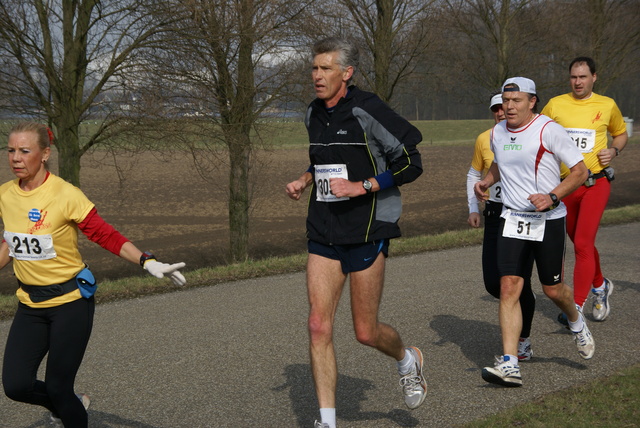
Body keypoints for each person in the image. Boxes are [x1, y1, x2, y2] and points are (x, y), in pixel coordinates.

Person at [0, 122, 186, 428]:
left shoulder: (65, 194)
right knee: (16, 386)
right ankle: (72, 405)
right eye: (10, 150)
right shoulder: (6, 195)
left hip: (69, 303)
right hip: (30, 305)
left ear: (44, 154)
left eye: (24, 151)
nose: (16, 158)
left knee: (59, 388)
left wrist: (147, 261)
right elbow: (11, 240)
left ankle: (68, 406)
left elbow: (105, 235)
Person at [285, 37, 426, 428]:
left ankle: (406, 359)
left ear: (346, 73)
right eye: (314, 68)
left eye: (326, 68)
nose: (317, 76)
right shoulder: (313, 112)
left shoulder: (367, 109)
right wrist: (304, 179)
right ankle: (327, 421)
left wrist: (363, 187)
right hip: (324, 229)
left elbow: (411, 163)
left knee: (365, 332)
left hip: (367, 227)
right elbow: (323, 161)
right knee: (318, 324)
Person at [474, 77, 594, 388]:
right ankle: (511, 363)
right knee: (509, 286)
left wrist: (553, 196)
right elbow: (500, 163)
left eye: (516, 101)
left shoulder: (548, 129)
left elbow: (581, 171)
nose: (509, 107)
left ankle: (576, 321)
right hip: (513, 217)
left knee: (553, 291)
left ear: (532, 102)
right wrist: (486, 181)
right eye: (505, 101)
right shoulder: (498, 132)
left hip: (549, 218)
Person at [541, 56, 628, 323]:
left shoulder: (607, 104)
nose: (578, 82)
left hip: (595, 183)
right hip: (566, 188)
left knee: (582, 243)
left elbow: (621, 134)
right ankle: (600, 285)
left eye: (583, 77)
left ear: (594, 77)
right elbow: (537, 132)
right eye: (573, 77)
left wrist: (613, 150)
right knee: (581, 243)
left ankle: (575, 308)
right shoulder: (556, 104)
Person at [466, 92, 536, 362]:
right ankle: (519, 313)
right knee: (493, 284)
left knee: (517, 283)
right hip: (495, 213)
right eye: (496, 108)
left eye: (505, 105)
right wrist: (473, 207)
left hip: (523, 215)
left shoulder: (532, 135)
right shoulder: (487, 138)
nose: (501, 111)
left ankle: (522, 340)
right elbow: (474, 173)